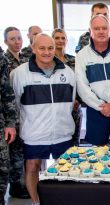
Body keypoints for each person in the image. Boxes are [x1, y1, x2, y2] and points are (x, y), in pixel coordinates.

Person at [11, 33, 75, 205]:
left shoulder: (68, 73)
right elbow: (15, 104)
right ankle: (36, 202)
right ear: (33, 48)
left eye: (50, 48)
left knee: (65, 168)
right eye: (42, 48)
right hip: (34, 133)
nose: (47, 52)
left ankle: (63, 200)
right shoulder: (19, 74)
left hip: (63, 132)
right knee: (32, 167)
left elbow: (71, 101)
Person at [75, 14, 110, 146]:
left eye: (104, 28)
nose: (101, 31)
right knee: (97, 154)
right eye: (96, 28)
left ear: (109, 30)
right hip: (96, 111)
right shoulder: (81, 56)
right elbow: (82, 86)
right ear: (90, 31)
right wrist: (100, 106)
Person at [3, 27, 30, 199]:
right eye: (12, 39)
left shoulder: (25, 59)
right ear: (6, 41)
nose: (17, 41)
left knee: (22, 150)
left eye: (19, 38)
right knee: (14, 153)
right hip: (10, 112)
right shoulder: (4, 60)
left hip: (25, 111)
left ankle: (22, 183)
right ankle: (15, 185)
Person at [52, 28, 83, 146]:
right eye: (57, 38)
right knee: (58, 146)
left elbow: (81, 82)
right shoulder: (49, 61)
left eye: (63, 38)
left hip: (74, 109)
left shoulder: (74, 61)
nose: (60, 41)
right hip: (56, 110)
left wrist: (79, 100)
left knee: (74, 146)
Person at [0, 52, 17, 205]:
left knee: (3, 168)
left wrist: (10, 122)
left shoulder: (1, 57)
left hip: (1, 123)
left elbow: (6, 91)